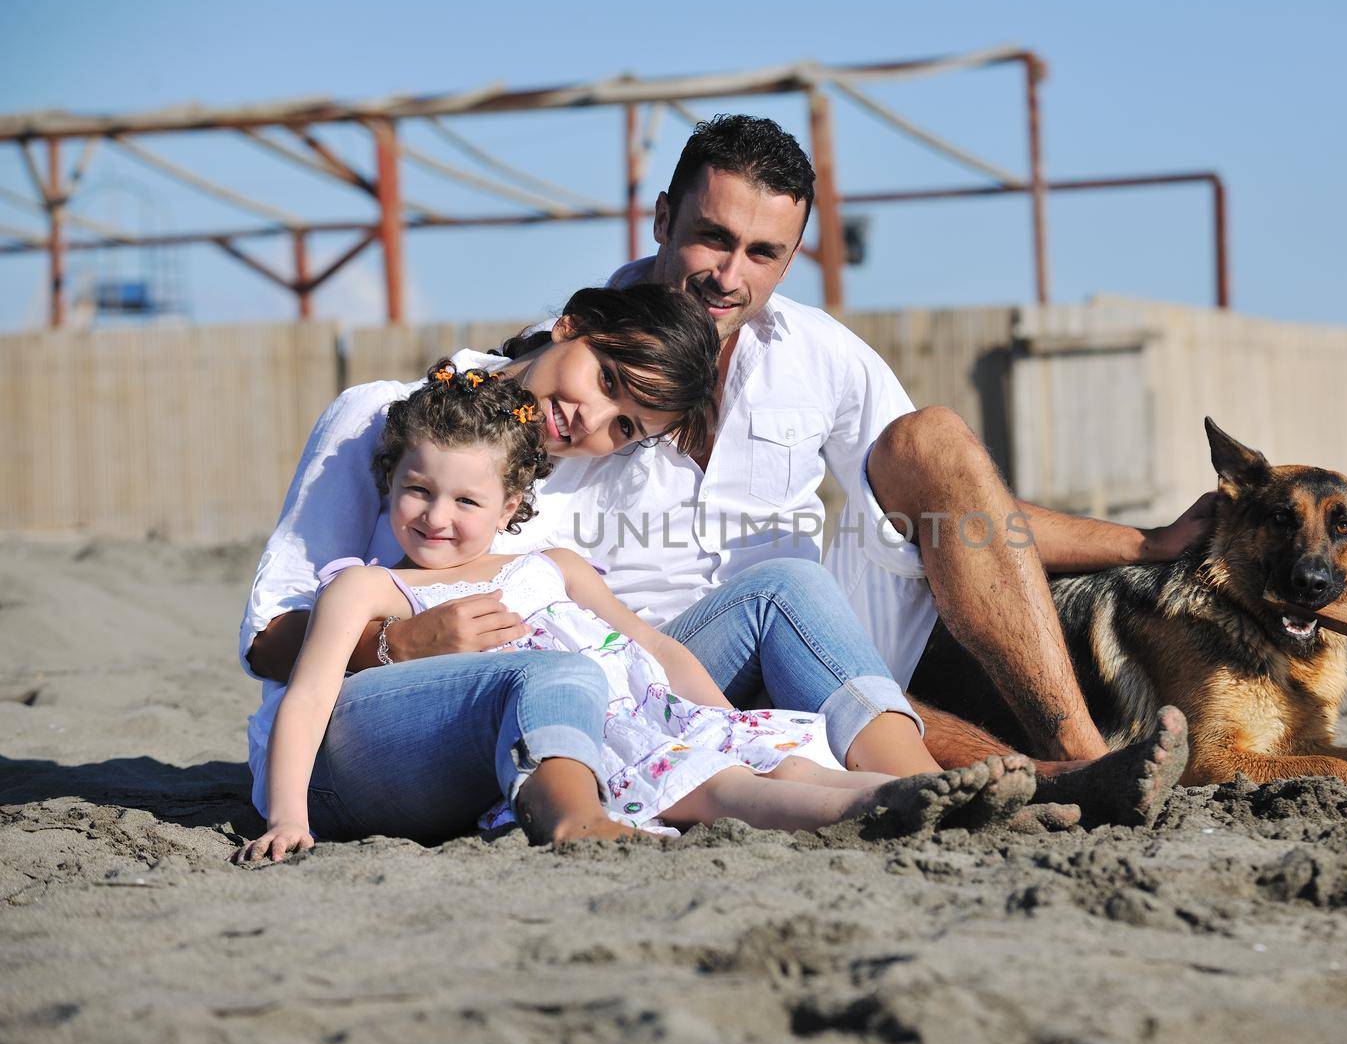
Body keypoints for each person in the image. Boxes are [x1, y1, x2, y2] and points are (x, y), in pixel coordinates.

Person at [498, 115, 1202, 824]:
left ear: (791, 257)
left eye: (762, 252)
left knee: (931, 443)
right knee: (791, 594)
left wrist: (1147, 543)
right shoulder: (581, 367)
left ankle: (1080, 760)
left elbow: (964, 506)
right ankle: (1009, 785)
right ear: (662, 219)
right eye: (713, 237)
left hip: (807, 644)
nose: (728, 275)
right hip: (649, 666)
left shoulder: (815, 352)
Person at [241, 283, 998, 850]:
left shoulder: (591, 477)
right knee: (554, 678)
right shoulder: (385, 422)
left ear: (510, 504)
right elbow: (267, 637)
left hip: (583, 685)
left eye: (626, 424)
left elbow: (641, 632)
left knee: (787, 590)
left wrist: (723, 728)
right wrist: (397, 642)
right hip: (383, 714)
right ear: (568, 326)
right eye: (604, 379)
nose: (591, 423)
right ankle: (578, 816)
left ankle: (914, 785)